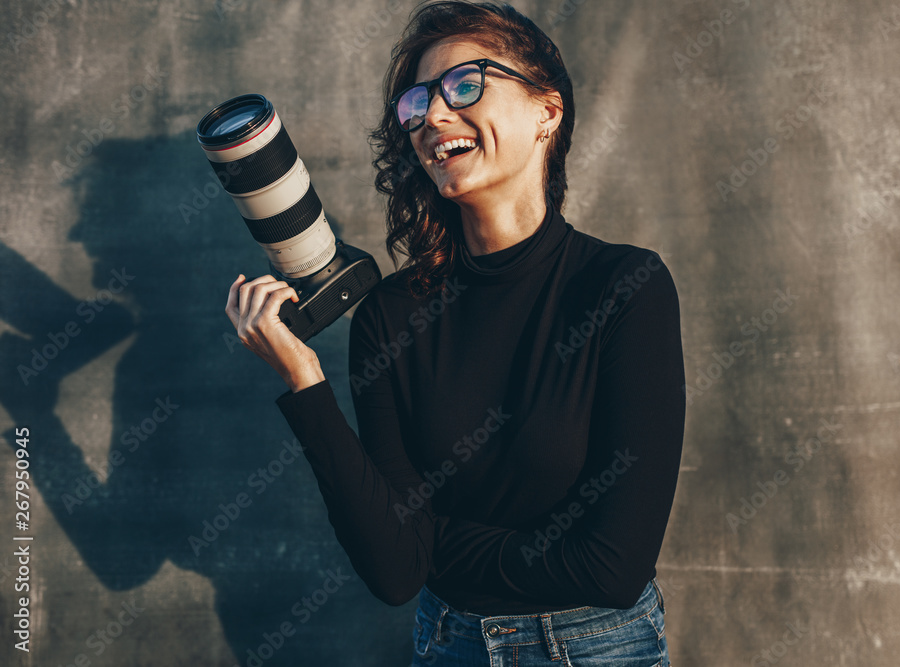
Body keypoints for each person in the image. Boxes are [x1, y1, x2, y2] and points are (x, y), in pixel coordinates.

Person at [224, 2, 685, 664]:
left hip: (600, 649)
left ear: (545, 112)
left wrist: (435, 539)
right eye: (417, 101)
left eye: (466, 84)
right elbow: (393, 571)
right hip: (450, 644)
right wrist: (304, 381)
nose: (433, 115)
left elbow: (611, 567)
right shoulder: (391, 315)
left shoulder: (625, 287)